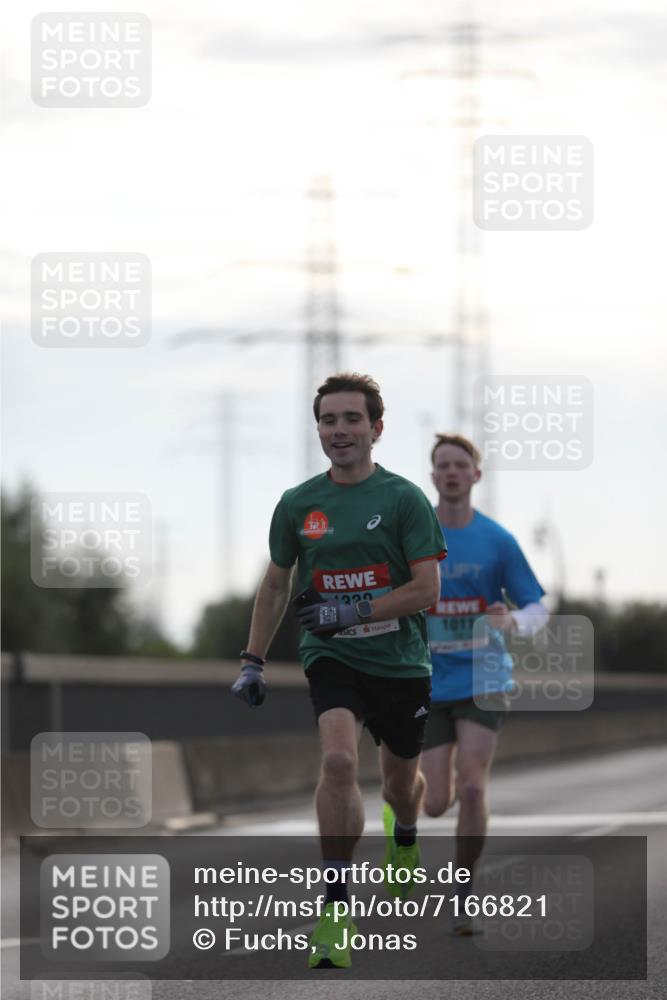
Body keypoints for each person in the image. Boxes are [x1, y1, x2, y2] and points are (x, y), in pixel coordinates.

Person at [232, 373, 445, 968]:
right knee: (339, 761)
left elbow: (427, 589)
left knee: (401, 785)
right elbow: (277, 585)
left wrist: (355, 609)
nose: (340, 430)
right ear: (319, 430)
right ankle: (335, 909)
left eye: (352, 419)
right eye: (329, 420)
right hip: (333, 656)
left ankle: (404, 835)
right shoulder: (298, 504)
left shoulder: (403, 499)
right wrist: (252, 660)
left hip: (400, 662)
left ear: (377, 428)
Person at [421, 434, 548, 935]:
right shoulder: (414, 534)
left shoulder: (497, 539)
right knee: (435, 803)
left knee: (472, 787)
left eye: (460, 465)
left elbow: (537, 605)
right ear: (433, 476)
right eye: (443, 465)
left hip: (484, 677)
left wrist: (513, 621)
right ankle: (401, 815)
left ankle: (463, 893)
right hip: (427, 680)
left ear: (476, 475)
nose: (452, 472)